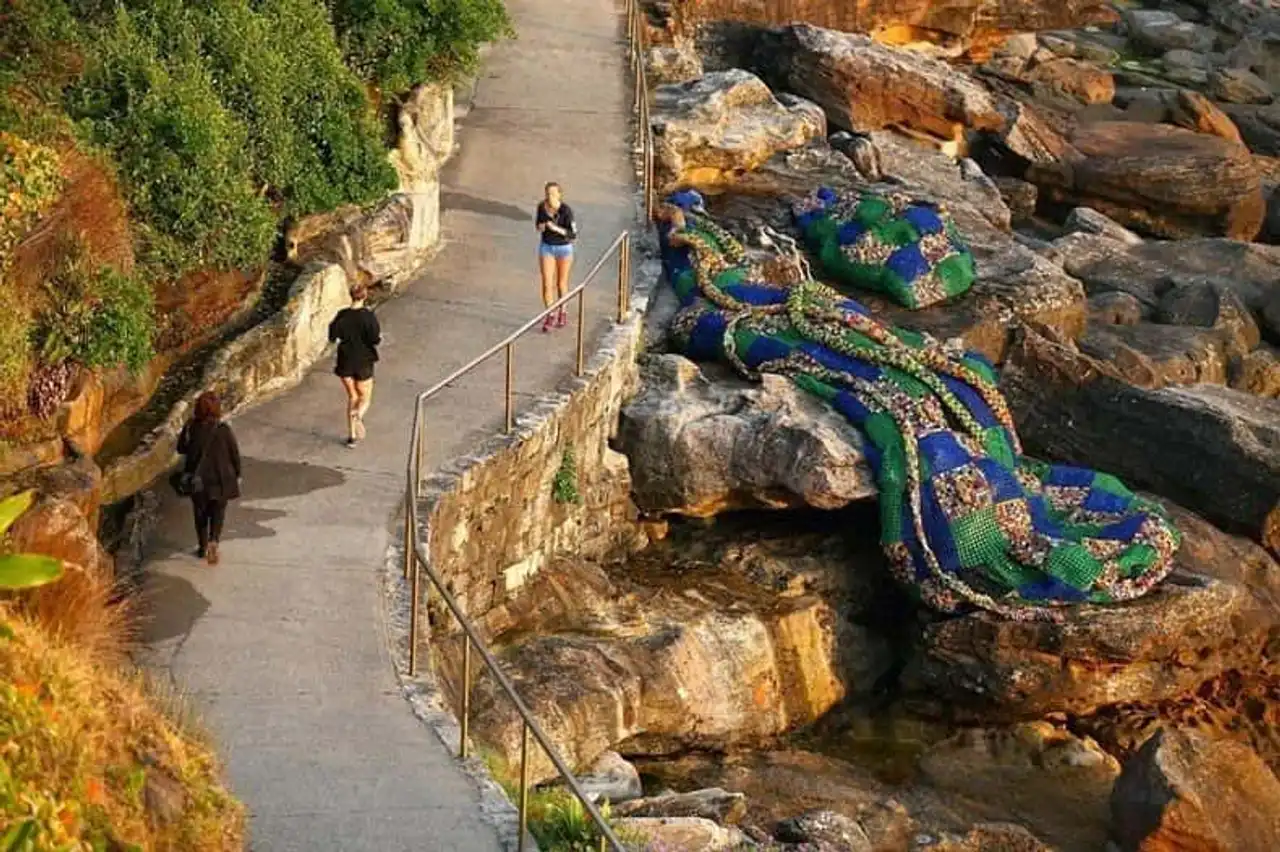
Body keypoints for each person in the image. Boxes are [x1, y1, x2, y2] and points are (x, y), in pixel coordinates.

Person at [177, 392, 241, 565]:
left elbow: (181, 448)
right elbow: (234, 454)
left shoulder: (190, 427)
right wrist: (238, 473)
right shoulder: (223, 430)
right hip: (221, 479)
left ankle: (202, 546)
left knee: (200, 514)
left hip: (198, 480)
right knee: (218, 512)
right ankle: (214, 541)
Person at [328, 280, 381, 447]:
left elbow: (332, 336)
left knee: (352, 396)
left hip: (345, 361)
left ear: (351, 296)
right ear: (364, 296)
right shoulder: (368, 316)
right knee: (365, 398)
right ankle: (358, 415)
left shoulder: (341, 315)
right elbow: (374, 339)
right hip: (363, 361)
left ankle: (351, 436)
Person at [535, 181, 578, 332]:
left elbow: (573, 235)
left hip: (564, 248)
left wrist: (556, 229)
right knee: (547, 283)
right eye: (547, 193)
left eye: (553, 193)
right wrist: (541, 227)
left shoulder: (566, 211)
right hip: (547, 247)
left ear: (559, 195)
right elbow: (538, 225)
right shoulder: (542, 207)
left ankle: (563, 311)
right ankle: (550, 314)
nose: (550, 196)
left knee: (561, 283)